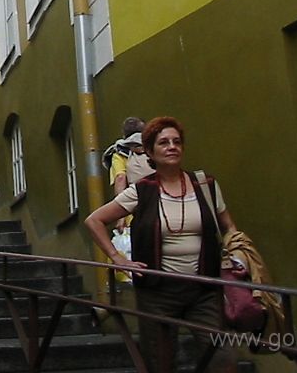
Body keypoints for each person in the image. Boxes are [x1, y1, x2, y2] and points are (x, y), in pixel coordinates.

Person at [84, 116, 238, 373]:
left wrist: (235, 254)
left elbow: (229, 226)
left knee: (222, 358)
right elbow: (94, 220)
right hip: (157, 292)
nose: (172, 146)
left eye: (177, 142)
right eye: (164, 142)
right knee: (161, 362)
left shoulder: (205, 184)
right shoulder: (142, 190)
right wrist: (117, 257)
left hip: (204, 290)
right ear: (150, 151)